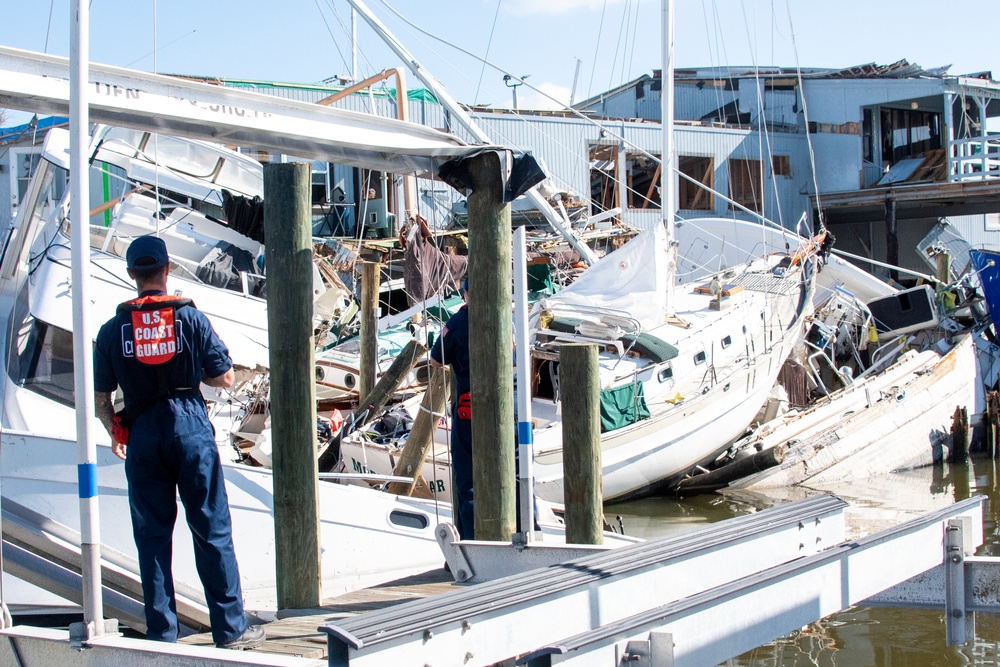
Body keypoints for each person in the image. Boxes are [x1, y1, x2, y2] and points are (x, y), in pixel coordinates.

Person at [93, 235, 265, 651]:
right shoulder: (189, 318)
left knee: (152, 537)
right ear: (167, 270)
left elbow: (101, 399)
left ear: (132, 274)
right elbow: (221, 376)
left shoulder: (112, 330)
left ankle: (162, 634)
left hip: (143, 434)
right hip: (189, 426)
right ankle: (230, 628)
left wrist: (116, 431)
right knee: (210, 528)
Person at [429, 277, 473, 539]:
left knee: (467, 480)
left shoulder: (458, 322)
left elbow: (436, 359)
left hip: (469, 411)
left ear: (465, 293)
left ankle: (470, 542)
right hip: (506, 412)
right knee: (512, 475)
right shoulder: (506, 318)